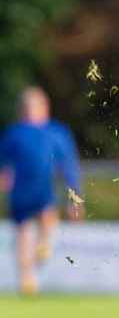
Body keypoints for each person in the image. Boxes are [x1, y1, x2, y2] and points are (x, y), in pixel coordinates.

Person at [0, 87, 82, 295]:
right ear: (21, 109)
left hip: (45, 190)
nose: (30, 111)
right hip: (21, 192)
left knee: (48, 220)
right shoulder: (14, 133)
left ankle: (43, 249)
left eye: (35, 106)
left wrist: (75, 198)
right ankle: (26, 279)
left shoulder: (56, 133)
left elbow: (69, 167)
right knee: (23, 233)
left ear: (45, 107)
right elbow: (3, 161)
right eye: (27, 107)